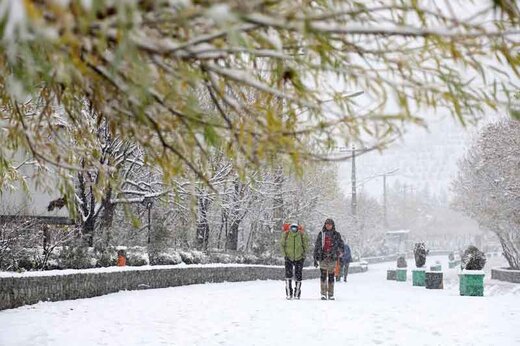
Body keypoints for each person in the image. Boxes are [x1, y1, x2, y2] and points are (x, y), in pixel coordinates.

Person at [313, 218, 344, 300]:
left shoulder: (336, 235)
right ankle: (323, 293)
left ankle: (331, 294)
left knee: (331, 276)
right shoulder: (321, 234)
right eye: (327, 224)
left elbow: (341, 245)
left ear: (332, 225)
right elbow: (317, 246)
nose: (328, 225)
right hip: (323, 257)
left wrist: (339, 253)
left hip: (332, 258)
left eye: (330, 224)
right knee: (323, 276)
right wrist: (315, 258)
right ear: (325, 225)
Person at [280, 223, 309, 300]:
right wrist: (285, 255)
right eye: (292, 228)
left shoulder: (301, 235)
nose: (294, 229)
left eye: (295, 228)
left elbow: (306, 245)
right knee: (288, 276)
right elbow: (282, 245)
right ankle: (289, 293)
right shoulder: (286, 235)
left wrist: (303, 255)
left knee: (298, 276)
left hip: (299, 258)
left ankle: (297, 293)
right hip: (288, 258)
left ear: (297, 228)